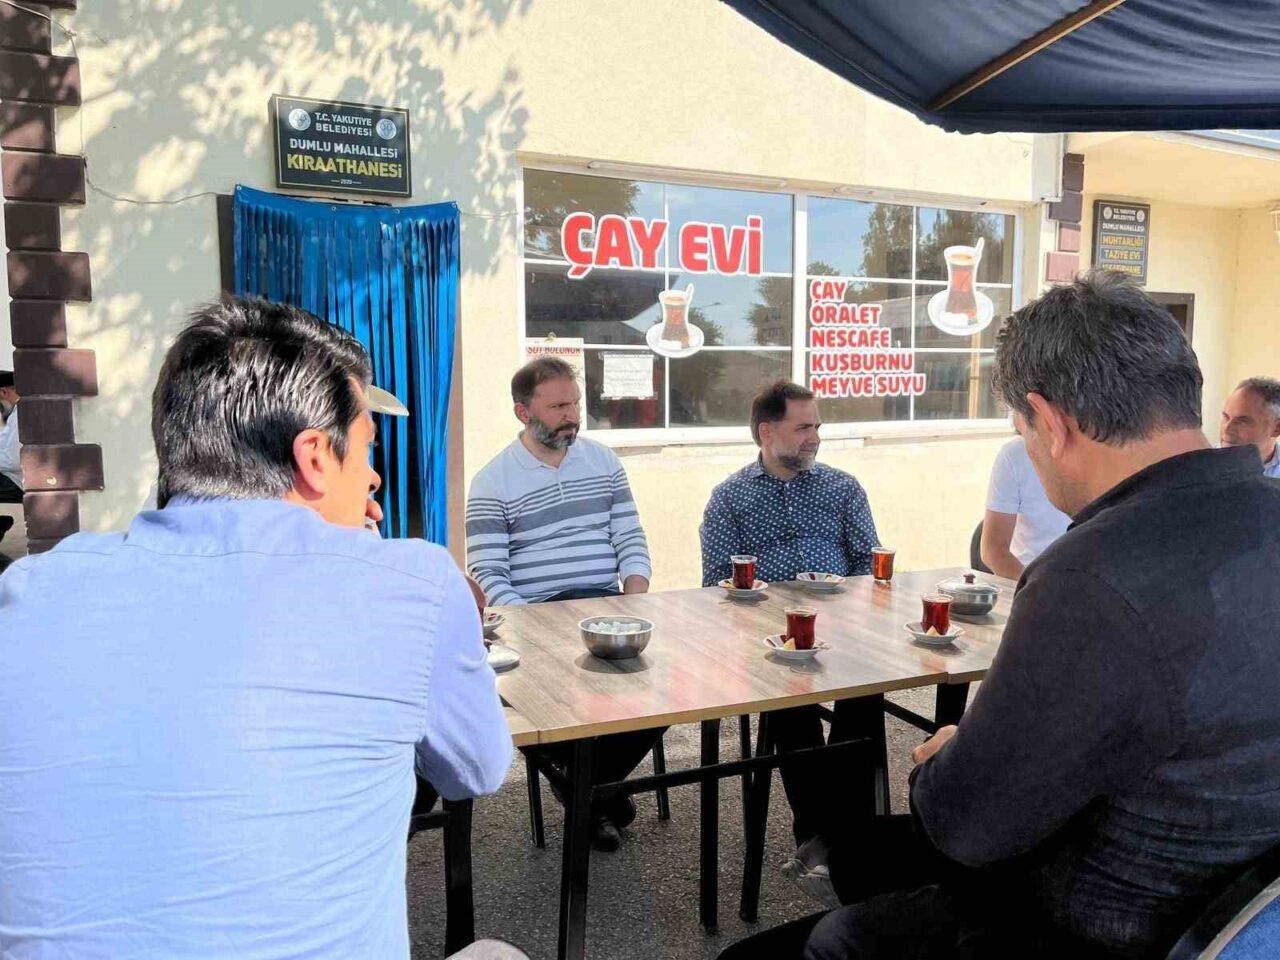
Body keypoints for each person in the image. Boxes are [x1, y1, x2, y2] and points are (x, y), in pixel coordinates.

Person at [720, 271, 1280, 960]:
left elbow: (964, 826)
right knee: (861, 853)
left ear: (1049, 423)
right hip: (1240, 906)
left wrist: (950, 756)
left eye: (1022, 428)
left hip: (1098, 922)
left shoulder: (1095, 569)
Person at [0, 297, 513, 959]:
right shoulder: (412, 583)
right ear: (315, 459)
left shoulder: (30, 592)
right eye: (365, 449)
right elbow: (477, 770)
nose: (376, 475)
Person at [465, 356, 660, 851]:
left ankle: (582, 784)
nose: (572, 414)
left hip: (610, 607)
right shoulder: (493, 481)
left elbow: (630, 538)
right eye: (557, 406)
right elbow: (489, 573)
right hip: (539, 615)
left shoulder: (603, 462)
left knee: (671, 690)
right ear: (522, 411)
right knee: (555, 699)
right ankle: (598, 793)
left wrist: (636, 597)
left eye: (574, 402)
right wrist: (537, 624)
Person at [700, 380, 879, 901]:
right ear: (766, 431)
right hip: (769, 635)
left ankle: (834, 838)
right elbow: (715, 582)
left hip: (844, 625)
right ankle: (825, 837)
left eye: (817, 427)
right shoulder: (730, 498)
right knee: (790, 704)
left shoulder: (843, 489)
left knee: (866, 693)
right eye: (803, 427)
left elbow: (872, 566)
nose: (814, 438)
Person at [979, 433, 1070, 578]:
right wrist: (1032, 585)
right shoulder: (1014, 454)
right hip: (1028, 581)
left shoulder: (1106, 454)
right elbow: (993, 549)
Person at [1220, 376, 1280, 478]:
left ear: (1276, 428)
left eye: (1243, 421)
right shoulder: (1199, 466)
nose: (1227, 430)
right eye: (1226, 417)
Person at [0, 370, 22, 505]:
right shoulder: (15, 412)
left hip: (16, 482)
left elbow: (13, 461)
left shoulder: (21, 415)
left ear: (3, 392)